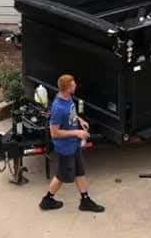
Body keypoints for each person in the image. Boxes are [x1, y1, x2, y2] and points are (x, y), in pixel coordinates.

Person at [40, 74, 105, 212]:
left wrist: (80, 120)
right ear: (67, 88)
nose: (75, 86)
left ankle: (85, 200)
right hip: (65, 149)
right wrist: (77, 133)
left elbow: (71, 113)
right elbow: (54, 133)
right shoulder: (57, 108)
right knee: (61, 176)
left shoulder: (68, 98)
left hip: (73, 145)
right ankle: (47, 200)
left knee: (79, 172)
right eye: (73, 85)